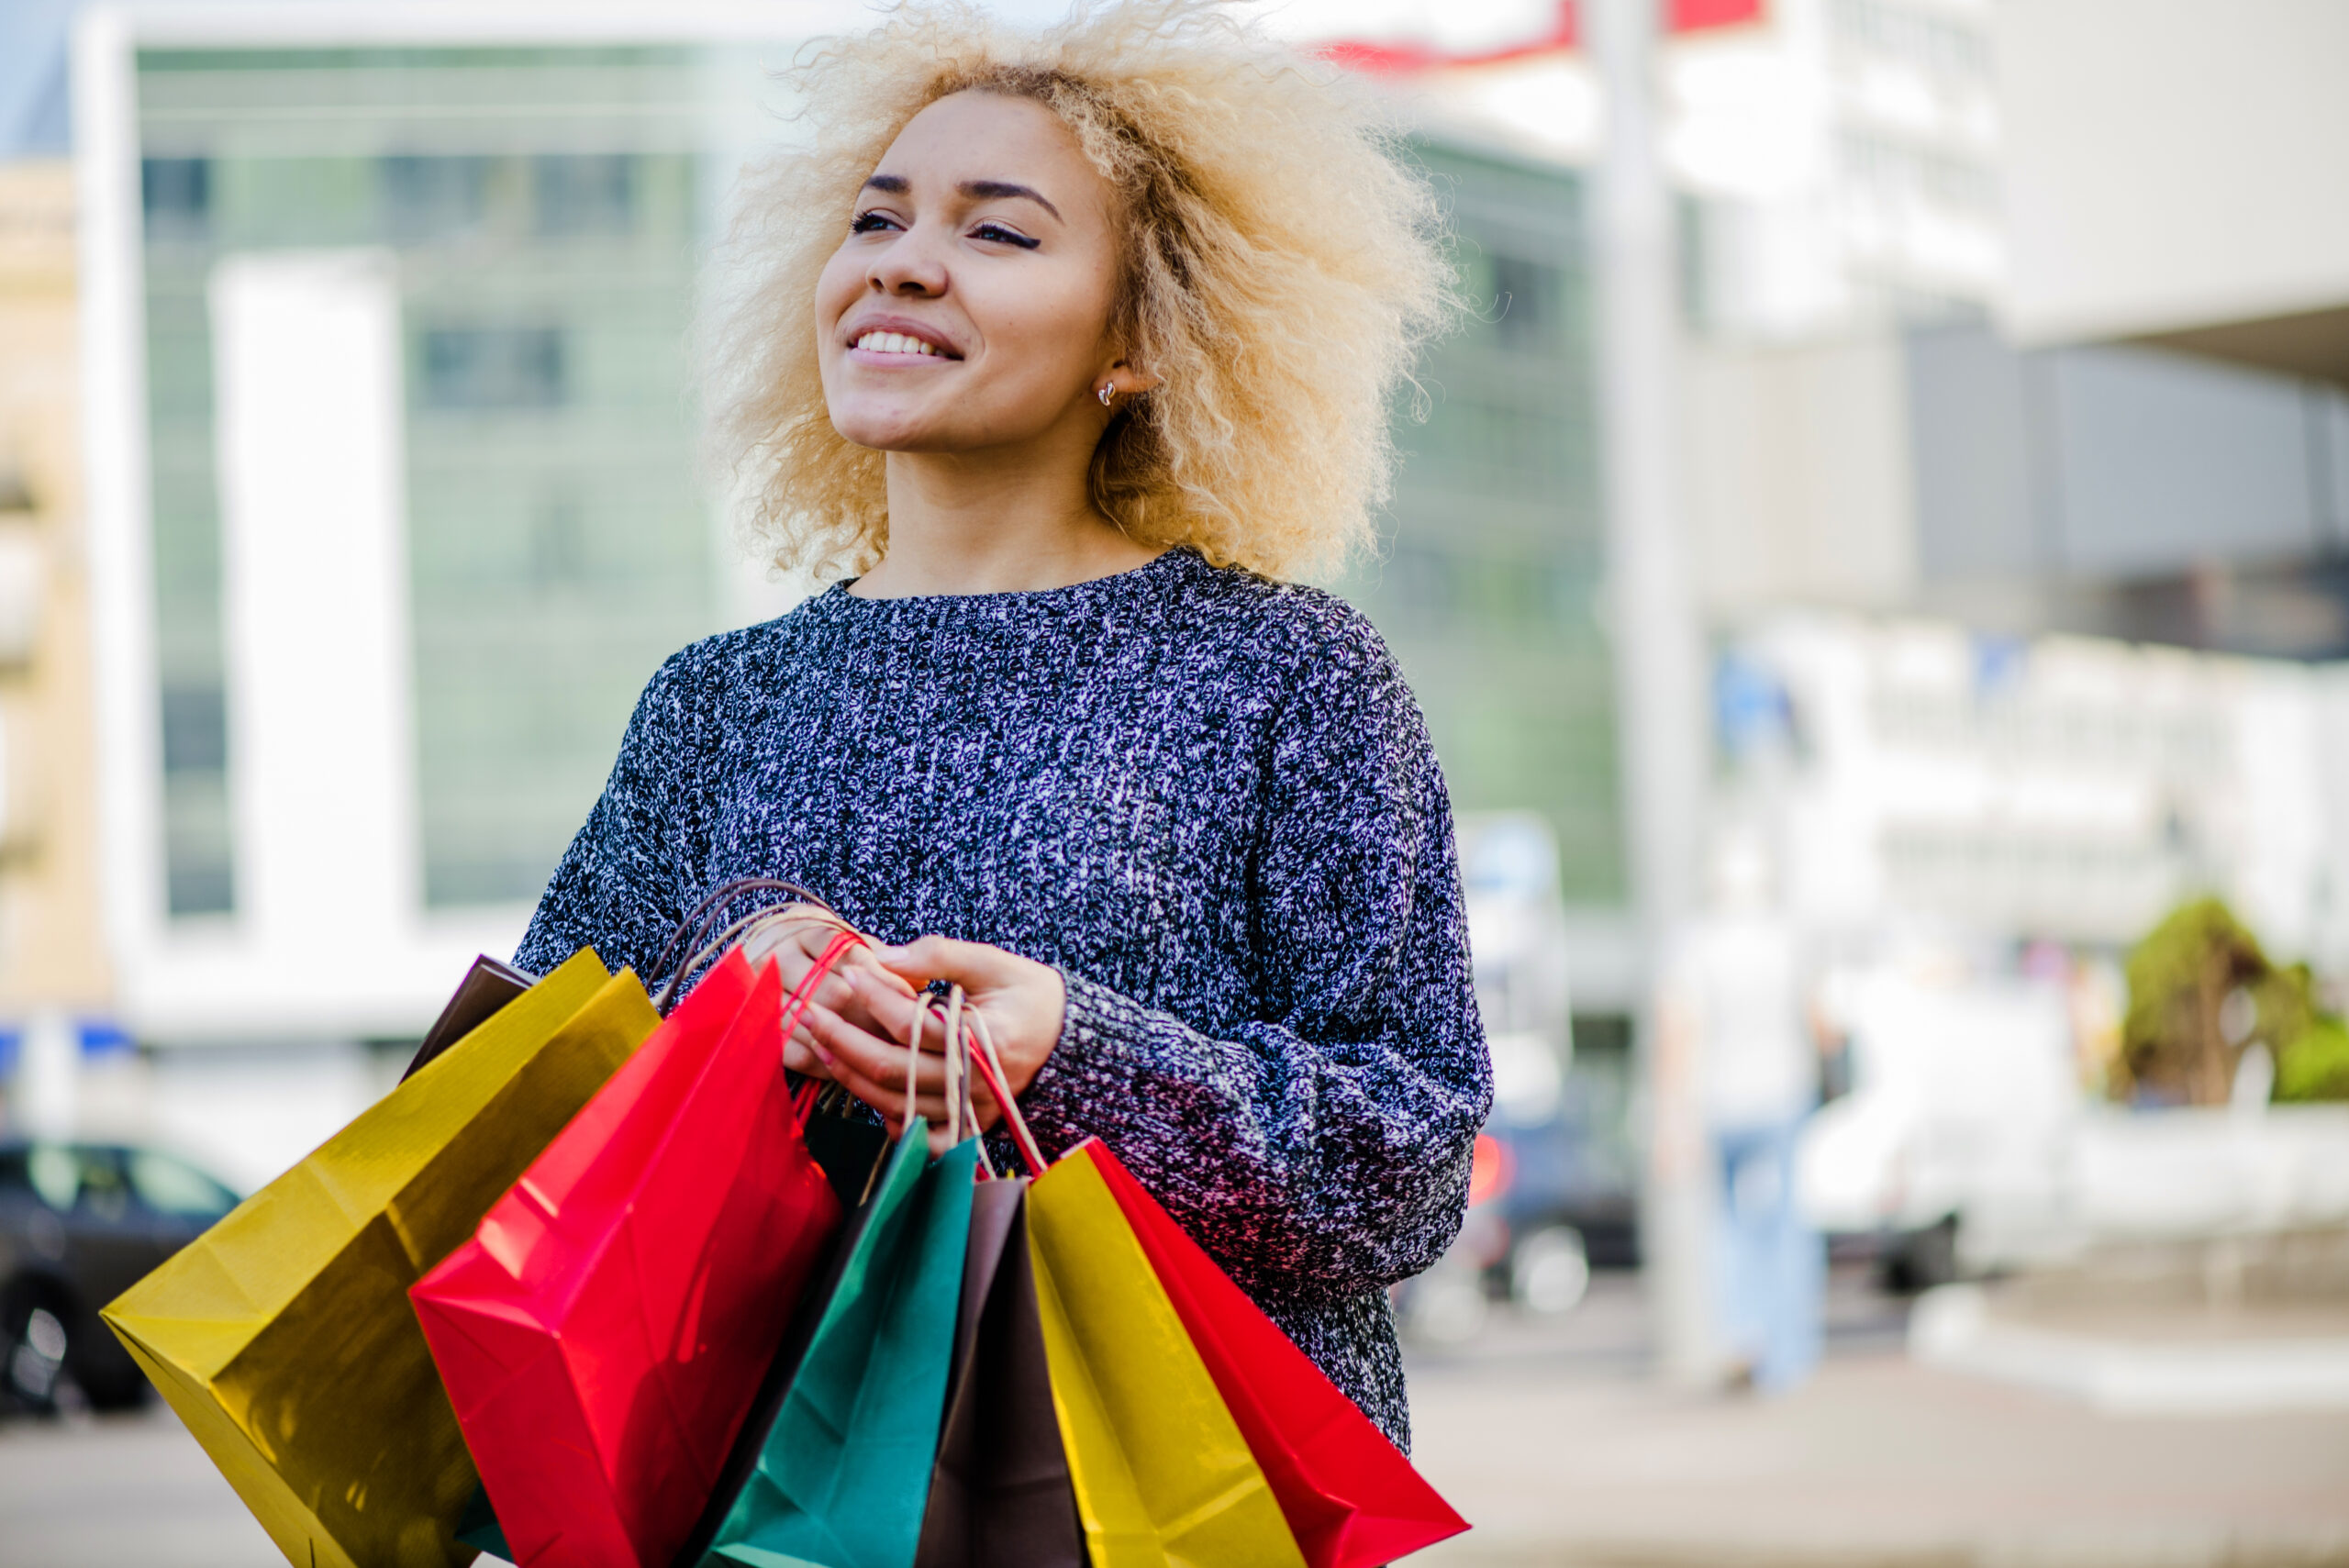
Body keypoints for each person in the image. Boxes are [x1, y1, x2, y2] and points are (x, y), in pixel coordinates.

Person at [513, 0, 1491, 1450]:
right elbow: (535, 1139)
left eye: (999, 232)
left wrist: (1072, 1049)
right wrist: (725, 1000)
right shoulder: (713, 704)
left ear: (1146, 338)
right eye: (878, 220)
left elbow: (1406, 1165)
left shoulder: (1293, 675)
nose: (903, 260)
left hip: (1161, 1502)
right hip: (768, 1504)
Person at [1658, 829, 1826, 1392]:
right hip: (1783, 1095)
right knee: (1787, 1226)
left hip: (1720, 1100)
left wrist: (1672, 1119)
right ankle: (1790, 1356)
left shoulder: (1697, 940)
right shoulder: (1788, 938)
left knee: (1728, 1225)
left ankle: (1740, 1331)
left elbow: (1678, 1031)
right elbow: (1819, 1023)